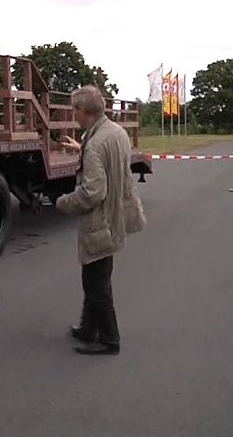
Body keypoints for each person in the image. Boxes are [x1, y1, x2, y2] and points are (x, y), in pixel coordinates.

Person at [56, 85, 145, 356]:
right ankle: (88, 328)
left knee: (97, 284)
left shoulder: (95, 143)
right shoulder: (115, 132)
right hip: (116, 214)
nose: (74, 115)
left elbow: (93, 192)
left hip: (100, 220)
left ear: (82, 111)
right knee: (95, 277)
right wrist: (80, 148)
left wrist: (64, 202)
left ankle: (109, 339)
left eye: (75, 110)